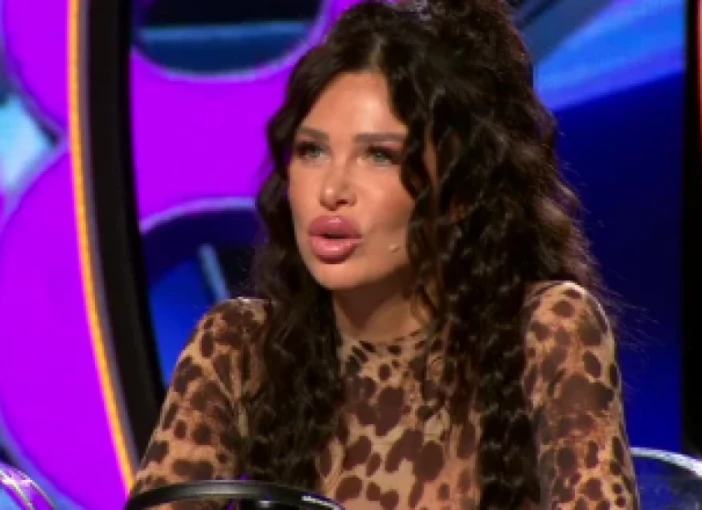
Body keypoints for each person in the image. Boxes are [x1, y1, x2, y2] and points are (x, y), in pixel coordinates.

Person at [130, 0, 640, 508]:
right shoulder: (240, 348)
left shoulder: (546, 331)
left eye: (379, 156)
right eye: (312, 151)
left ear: (461, 191)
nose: (332, 190)